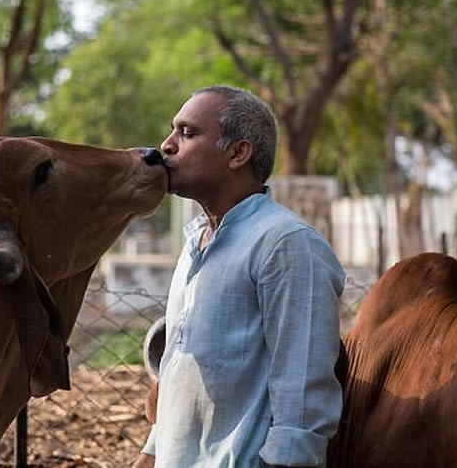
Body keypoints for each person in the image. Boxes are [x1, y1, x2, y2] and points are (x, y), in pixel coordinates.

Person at [132, 85, 345, 468]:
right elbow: (183, 371)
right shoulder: (197, 240)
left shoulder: (286, 244)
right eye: (172, 130)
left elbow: (301, 396)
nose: (167, 145)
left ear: (238, 153)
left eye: (188, 133)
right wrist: (151, 453)